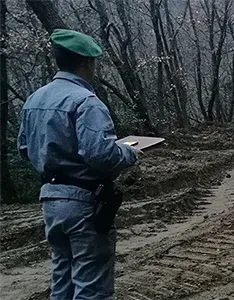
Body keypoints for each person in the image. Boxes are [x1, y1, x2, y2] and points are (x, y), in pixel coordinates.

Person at [17, 29, 142, 300]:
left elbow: (25, 148)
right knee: (91, 286)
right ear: (87, 63)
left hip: (51, 201)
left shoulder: (34, 100)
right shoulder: (86, 102)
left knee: (62, 277)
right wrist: (129, 153)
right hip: (85, 202)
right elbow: (101, 156)